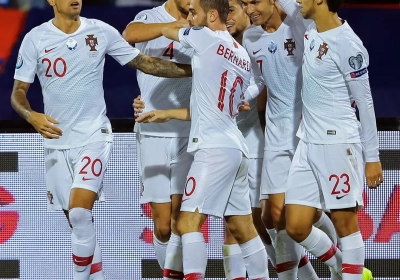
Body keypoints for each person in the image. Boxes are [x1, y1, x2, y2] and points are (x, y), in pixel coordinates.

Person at [10, 0, 191, 279]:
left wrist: (198, 70)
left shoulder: (101, 31)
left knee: (81, 213)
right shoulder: (35, 38)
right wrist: (31, 116)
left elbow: (146, 63)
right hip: (56, 141)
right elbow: (18, 92)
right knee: (76, 222)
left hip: (95, 135)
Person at [137, 0, 270, 279]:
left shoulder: (202, 36)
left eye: (193, 13)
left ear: (211, 15)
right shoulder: (241, 55)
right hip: (236, 148)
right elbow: (210, 106)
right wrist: (164, 113)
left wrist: (174, 25)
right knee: (243, 226)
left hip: (213, 150)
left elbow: (161, 32)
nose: (189, 18)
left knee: (186, 224)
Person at [280, 0, 384, 280]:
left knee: (344, 223)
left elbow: (365, 102)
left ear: (320, 1)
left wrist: (372, 157)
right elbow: (286, 4)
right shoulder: (311, 27)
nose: (298, 1)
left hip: (338, 143)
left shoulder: (348, 44)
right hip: (307, 143)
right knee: (296, 226)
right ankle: (346, 271)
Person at [241, 0, 338, 279]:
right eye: (245, 4)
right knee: (272, 216)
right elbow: (257, 81)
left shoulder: (298, 23)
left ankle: (342, 264)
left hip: (304, 131)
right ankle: (340, 266)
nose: (249, 10)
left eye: (254, 2)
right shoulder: (251, 37)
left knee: (293, 213)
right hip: (274, 134)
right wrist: (239, 97)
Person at [122, 2, 193, 278]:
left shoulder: (202, 19)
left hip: (188, 131)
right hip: (152, 133)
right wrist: (168, 28)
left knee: (181, 221)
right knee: (163, 225)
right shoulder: (150, 17)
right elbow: (129, 34)